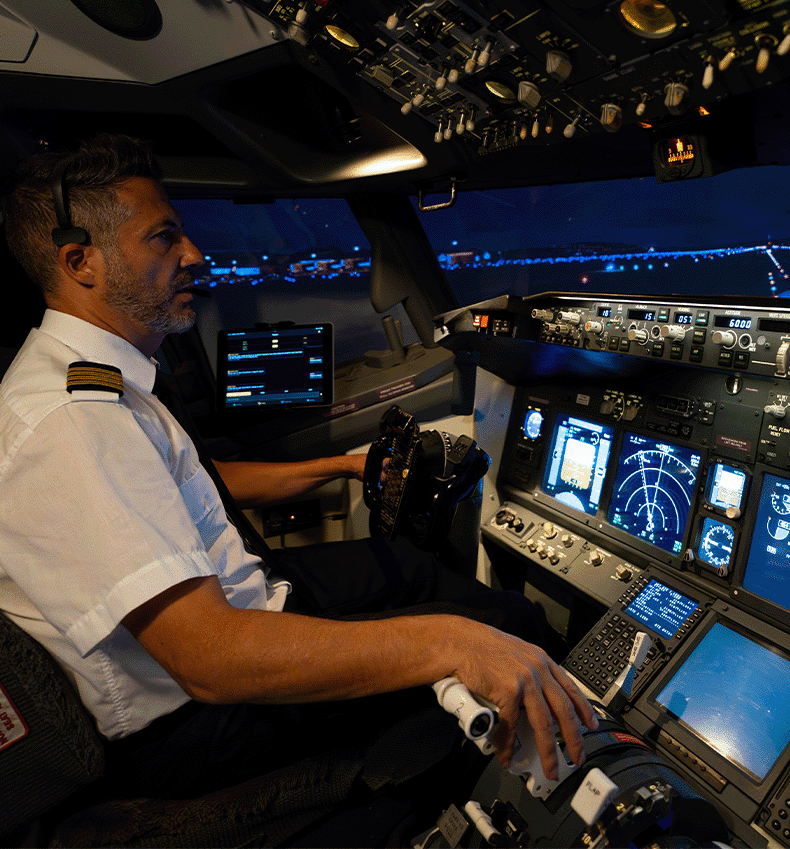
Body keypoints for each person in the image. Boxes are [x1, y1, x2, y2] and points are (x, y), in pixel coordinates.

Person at [0, 134, 598, 812]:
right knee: (498, 626)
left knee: (422, 574)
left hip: (244, 605)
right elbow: (211, 660)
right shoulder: (74, 421)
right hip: (194, 720)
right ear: (81, 261)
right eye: (164, 238)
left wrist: (344, 466)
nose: (194, 255)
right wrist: (451, 642)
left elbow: (199, 487)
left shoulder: (93, 383)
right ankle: (575, 778)